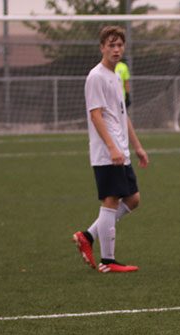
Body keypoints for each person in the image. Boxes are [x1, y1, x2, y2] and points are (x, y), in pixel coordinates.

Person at [72, 25, 149, 274]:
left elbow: (122, 116)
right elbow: (96, 116)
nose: (116, 49)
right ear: (102, 47)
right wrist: (112, 147)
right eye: (111, 45)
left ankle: (87, 236)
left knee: (133, 199)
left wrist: (136, 146)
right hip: (107, 152)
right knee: (111, 200)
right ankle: (108, 261)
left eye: (119, 45)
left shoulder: (116, 76)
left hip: (121, 150)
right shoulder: (96, 76)